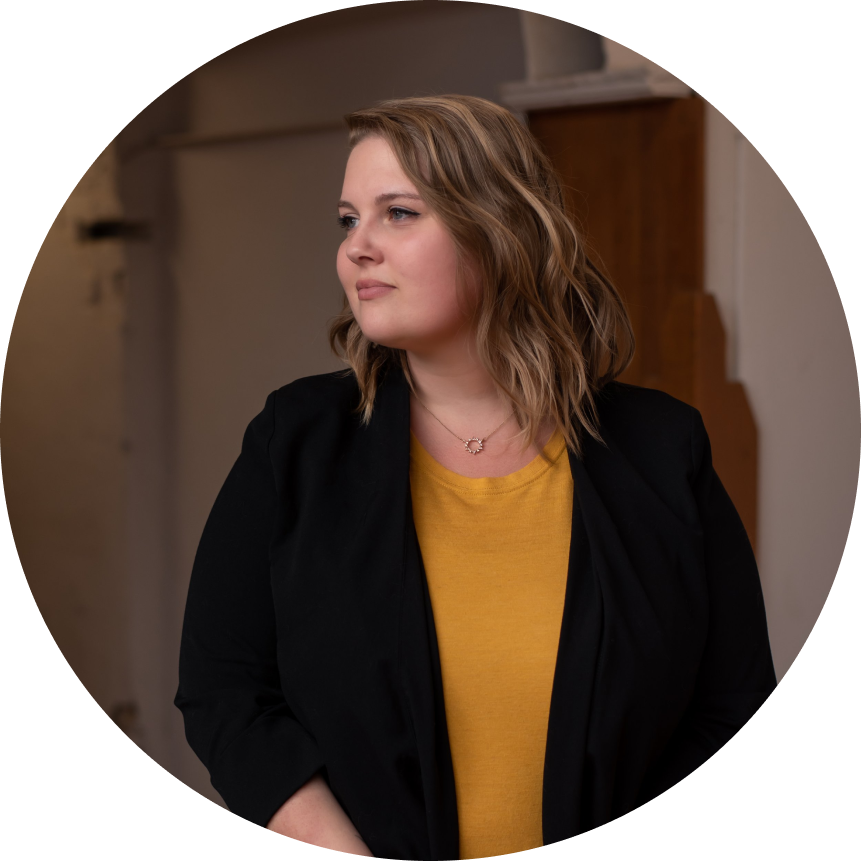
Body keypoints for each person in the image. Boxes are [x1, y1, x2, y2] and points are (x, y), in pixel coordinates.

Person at [175, 94, 808, 860]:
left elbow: (733, 713)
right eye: (347, 220)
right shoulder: (297, 443)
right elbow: (225, 691)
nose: (356, 248)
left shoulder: (661, 448)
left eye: (397, 213)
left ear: (498, 229)